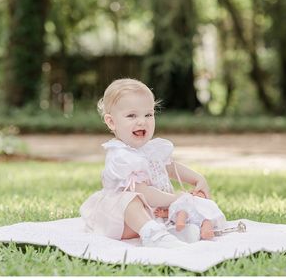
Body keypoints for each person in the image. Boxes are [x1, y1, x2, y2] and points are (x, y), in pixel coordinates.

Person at [80, 78, 213, 248]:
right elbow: (142, 191)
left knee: (187, 203)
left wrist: (197, 179)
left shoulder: (151, 149)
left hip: (154, 213)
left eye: (148, 114)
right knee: (131, 200)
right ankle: (152, 234)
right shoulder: (121, 156)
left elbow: (170, 168)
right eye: (131, 115)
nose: (142, 121)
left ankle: (176, 230)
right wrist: (174, 199)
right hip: (119, 221)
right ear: (111, 122)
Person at [153, 190, 227, 240]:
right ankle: (180, 222)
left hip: (201, 218)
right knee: (182, 212)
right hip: (187, 212)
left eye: (201, 195)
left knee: (207, 222)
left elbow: (212, 212)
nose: (196, 194)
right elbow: (173, 210)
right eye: (193, 192)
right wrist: (163, 214)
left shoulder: (205, 206)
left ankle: (206, 232)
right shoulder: (186, 201)